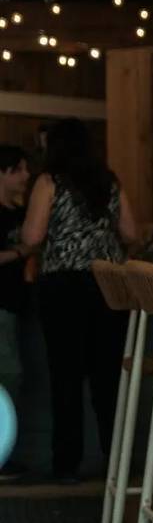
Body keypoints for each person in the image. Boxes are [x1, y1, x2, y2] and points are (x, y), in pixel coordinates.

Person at [21, 121, 138, 483]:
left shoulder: (48, 181)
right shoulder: (109, 181)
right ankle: (119, 464)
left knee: (65, 377)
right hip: (108, 285)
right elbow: (131, 233)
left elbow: (32, 235)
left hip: (63, 287)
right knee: (108, 380)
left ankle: (66, 465)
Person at [0, 146, 32, 479]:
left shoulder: (18, 213)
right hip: (1, 308)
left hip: (14, 305)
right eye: (18, 169)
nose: (25, 176)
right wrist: (23, 250)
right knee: (9, 378)